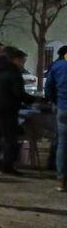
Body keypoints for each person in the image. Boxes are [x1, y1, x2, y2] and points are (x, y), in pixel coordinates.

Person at [0, 45, 33, 176]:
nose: (23, 64)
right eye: (22, 61)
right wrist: (33, 100)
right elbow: (18, 93)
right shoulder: (13, 71)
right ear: (15, 59)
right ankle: (7, 165)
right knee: (9, 137)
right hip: (8, 109)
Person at [45, 45, 67, 188]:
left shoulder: (57, 67)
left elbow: (49, 88)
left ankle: (62, 179)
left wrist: (56, 102)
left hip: (63, 107)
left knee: (63, 144)